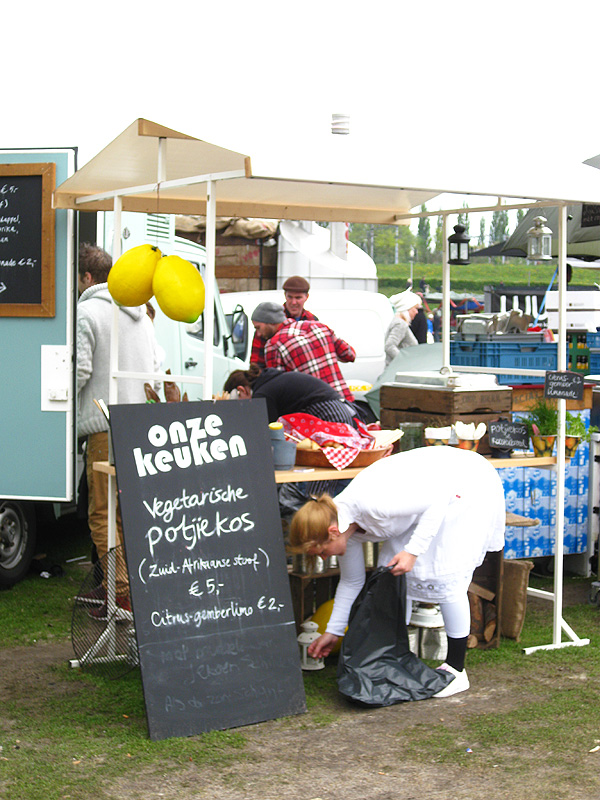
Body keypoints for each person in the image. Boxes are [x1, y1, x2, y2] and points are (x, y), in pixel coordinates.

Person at [288, 446, 505, 698]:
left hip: (464, 482)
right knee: (394, 572)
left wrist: (413, 551)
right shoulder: (347, 528)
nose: (325, 558)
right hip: (430, 495)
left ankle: (457, 670)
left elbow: (436, 501)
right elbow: (351, 582)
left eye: (321, 552)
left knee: (445, 574)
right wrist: (333, 632)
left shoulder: (371, 504)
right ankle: (395, 657)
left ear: (331, 532)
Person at [77, 243, 160, 618]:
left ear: (87, 277)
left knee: (102, 514)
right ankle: (124, 585)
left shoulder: (87, 311)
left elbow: (78, 372)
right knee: (128, 513)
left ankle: (120, 592)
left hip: (104, 426)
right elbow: (157, 366)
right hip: (139, 424)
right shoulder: (140, 314)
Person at [251, 301, 356, 403]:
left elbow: (279, 391)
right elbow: (349, 355)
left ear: (270, 322)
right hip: (345, 401)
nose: (259, 334)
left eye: (258, 328)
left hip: (317, 409)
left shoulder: (274, 345)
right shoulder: (319, 326)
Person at [223, 364, 357, 426]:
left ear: (242, 390)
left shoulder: (262, 394)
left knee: (324, 476)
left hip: (330, 414)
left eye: (238, 401)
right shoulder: (270, 381)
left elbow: (269, 429)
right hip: (340, 409)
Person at [250, 276, 318, 367]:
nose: (293, 302)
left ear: (306, 297)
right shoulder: (272, 320)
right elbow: (257, 359)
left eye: (298, 298)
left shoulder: (312, 320)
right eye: (290, 297)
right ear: (285, 295)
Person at [384, 290, 421, 365]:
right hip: (397, 370)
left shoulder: (397, 321)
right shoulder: (400, 324)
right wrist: (404, 360)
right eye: (415, 308)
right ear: (407, 308)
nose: (417, 312)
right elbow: (389, 346)